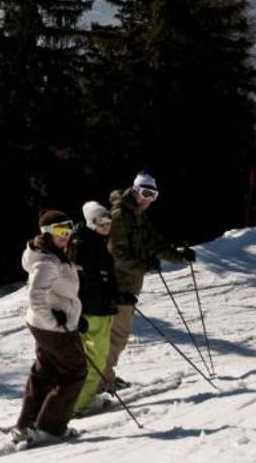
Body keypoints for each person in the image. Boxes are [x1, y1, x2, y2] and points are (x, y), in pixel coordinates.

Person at [104, 172, 195, 389]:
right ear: (135, 190)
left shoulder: (136, 214)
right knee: (116, 335)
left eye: (153, 195)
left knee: (116, 336)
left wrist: (179, 256)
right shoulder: (120, 216)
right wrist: (144, 265)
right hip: (116, 287)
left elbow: (153, 242)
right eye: (145, 193)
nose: (148, 200)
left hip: (128, 285)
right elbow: (116, 254)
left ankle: (104, 376)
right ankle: (102, 381)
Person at [10, 209, 87, 446]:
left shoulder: (51, 253)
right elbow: (36, 298)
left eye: (68, 229)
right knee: (75, 372)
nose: (66, 236)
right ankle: (50, 428)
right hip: (52, 329)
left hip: (44, 325)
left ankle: (27, 425)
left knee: (45, 372)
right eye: (59, 231)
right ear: (47, 234)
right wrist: (55, 321)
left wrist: (74, 316)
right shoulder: (47, 261)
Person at [69, 199, 120, 416]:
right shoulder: (83, 246)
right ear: (91, 223)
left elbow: (103, 277)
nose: (106, 226)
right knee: (96, 356)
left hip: (100, 307)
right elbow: (79, 283)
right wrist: (78, 312)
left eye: (109, 222)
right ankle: (82, 402)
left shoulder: (97, 242)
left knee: (94, 355)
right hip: (92, 310)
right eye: (101, 222)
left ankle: (80, 398)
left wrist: (118, 294)